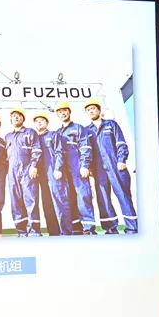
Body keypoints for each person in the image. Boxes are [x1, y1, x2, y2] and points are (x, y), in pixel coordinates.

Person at [85, 98, 138, 234]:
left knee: (123, 196)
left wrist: (121, 160)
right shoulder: (86, 131)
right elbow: (86, 151)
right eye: (88, 110)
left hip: (115, 166)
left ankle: (132, 227)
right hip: (98, 170)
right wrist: (89, 167)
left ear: (99, 110)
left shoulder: (111, 124)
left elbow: (121, 143)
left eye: (93, 109)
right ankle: (110, 228)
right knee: (103, 199)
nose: (91, 111)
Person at [55, 100, 97, 235]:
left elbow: (85, 147)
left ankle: (88, 228)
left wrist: (85, 165)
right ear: (57, 115)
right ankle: (76, 227)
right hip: (64, 170)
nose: (63, 113)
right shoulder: (57, 132)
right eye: (60, 112)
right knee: (69, 197)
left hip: (77, 167)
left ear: (69, 112)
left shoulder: (79, 128)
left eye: (65, 111)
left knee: (83, 195)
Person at [33, 111, 72, 236]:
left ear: (47, 123)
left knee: (60, 201)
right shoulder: (34, 138)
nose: (39, 123)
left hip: (54, 172)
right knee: (47, 204)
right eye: (37, 121)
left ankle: (65, 232)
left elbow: (59, 152)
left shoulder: (53, 135)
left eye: (42, 120)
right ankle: (53, 232)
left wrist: (58, 168)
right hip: (41, 176)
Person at [5, 108, 42, 236]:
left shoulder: (30, 132)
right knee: (16, 201)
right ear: (11, 119)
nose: (16, 117)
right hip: (12, 173)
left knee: (31, 199)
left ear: (23, 118)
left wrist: (34, 165)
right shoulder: (8, 136)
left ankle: (34, 231)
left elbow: (36, 149)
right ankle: (21, 231)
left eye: (19, 115)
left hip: (27, 171)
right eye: (14, 116)